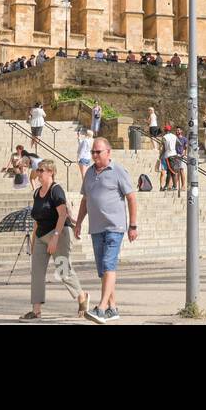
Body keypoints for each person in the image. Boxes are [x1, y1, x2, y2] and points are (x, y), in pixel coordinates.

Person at [73, 137, 138, 323]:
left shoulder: (118, 171)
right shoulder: (89, 173)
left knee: (109, 264)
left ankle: (101, 308)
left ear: (108, 152)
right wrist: (78, 223)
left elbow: (132, 198)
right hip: (96, 228)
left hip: (114, 227)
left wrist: (132, 226)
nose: (94, 155)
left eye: (97, 152)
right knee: (103, 270)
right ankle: (113, 308)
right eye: (92, 152)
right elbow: (85, 200)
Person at [23, 159, 90, 320]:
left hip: (59, 233)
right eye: (37, 170)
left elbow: (62, 215)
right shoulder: (36, 192)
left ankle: (82, 296)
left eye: (41, 170)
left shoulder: (56, 190)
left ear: (50, 172)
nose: (38, 173)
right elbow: (36, 220)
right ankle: (36, 310)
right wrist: (33, 241)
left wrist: (55, 238)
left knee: (63, 270)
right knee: (37, 273)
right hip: (40, 235)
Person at [161, 125, 179, 192]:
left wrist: (160, 155)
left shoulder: (164, 137)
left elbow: (164, 148)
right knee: (170, 171)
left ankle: (174, 186)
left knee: (171, 171)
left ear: (165, 130)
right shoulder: (174, 136)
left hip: (168, 155)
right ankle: (167, 186)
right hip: (174, 154)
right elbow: (179, 143)